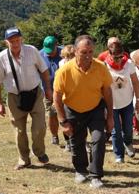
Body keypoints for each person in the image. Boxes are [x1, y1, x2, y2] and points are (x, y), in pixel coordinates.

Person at [54, 35, 114, 189]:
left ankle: (95, 175)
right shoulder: (64, 71)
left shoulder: (101, 67)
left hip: (95, 109)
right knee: (77, 142)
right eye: (83, 52)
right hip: (73, 110)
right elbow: (57, 97)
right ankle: (80, 170)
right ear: (75, 52)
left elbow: (107, 92)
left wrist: (110, 118)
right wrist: (63, 122)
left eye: (90, 52)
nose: (88, 56)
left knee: (98, 139)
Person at [0, 27, 52, 170]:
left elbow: (44, 70)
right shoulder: (1, 58)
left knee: (40, 128)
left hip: (35, 94)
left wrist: (48, 89)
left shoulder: (32, 50)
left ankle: (39, 152)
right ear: (6, 42)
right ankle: (24, 159)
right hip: (14, 98)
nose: (15, 43)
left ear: (21, 39)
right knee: (19, 131)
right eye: (12, 41)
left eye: (17, 40)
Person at [102, 42, 139, 163]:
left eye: (121, 56)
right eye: (116, 57)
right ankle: (119, 155)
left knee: (128, 128)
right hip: (112, 104)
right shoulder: (104, 66)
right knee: (115, 130)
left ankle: (128, 143)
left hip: (127, 101)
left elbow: (135, 82)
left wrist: (138, 100)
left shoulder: (129, 64)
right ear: (109, 54)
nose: (119, 60)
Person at [40, 35, 63, 146]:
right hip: (47, 90)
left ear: (56, 45)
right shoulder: (39, 55)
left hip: (64, 90)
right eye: (47, 50)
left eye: (52, 50)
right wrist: (46, 90)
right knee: (51, 114)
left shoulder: (65, 53)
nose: (49, 53)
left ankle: (69, 138)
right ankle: (55, 136)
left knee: (67, 114)